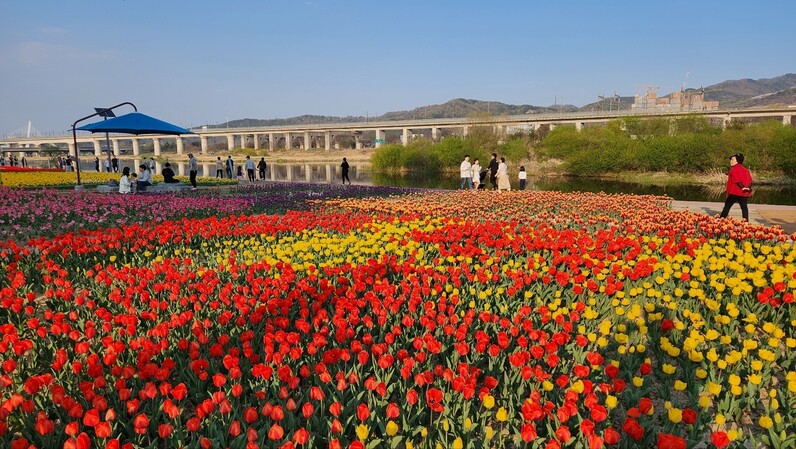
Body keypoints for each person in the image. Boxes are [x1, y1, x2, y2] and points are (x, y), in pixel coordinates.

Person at [719, 153, 753, 221]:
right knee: (744, 207)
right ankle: (745, 222)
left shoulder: (733, 169)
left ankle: (721, 219)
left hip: (734, 192)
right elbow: (750, 180)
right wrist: (747, 188)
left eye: (732, 159)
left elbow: (736, 179)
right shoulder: (745, 170)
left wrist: (742, 187)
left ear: (737, 160)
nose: (730, 161)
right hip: (744, 192)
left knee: (727, 206)